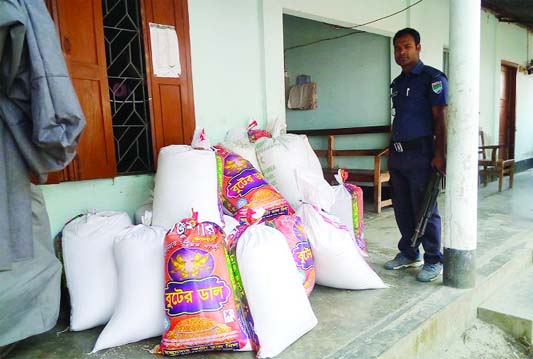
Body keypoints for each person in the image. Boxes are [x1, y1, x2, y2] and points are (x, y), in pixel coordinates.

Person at [384, 28, 448, 282]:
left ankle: (434, 259)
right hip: (399, 154)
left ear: (418, 47)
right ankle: (410, 253)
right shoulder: (398, 84)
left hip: (423, 153)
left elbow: (441, 119)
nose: (401, 52)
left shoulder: (432, 78)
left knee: (425, 208)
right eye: (398, 48)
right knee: (402, 207)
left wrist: (441, 154)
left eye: (407, 46)